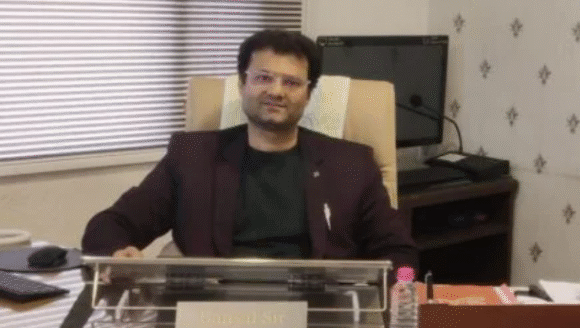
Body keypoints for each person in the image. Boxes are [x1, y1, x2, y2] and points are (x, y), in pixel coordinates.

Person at [82, 29, 417, 273]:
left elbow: (399, 251)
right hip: (215, 309)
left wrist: (399, 287)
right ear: (242, 84)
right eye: (263, 78)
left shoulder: (351, 164)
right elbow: (111, 225)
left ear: (308, 94)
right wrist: (116, 253)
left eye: (291, 82)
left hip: (318, 312)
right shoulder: (192, 158)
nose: (276, 92)